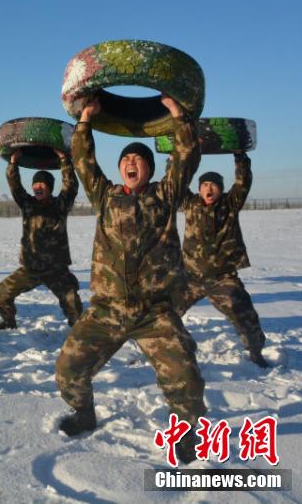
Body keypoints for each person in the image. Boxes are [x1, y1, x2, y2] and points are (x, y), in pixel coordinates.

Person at [55, 95, 207, 464]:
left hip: (154, 312)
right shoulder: (105, 196)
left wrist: (176, 115)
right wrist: (86, 121)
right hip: (107, 310)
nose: (130, 162)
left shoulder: (164, 195)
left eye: (138, 158)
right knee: (68, 370)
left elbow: (185, 159)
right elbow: (83, 163)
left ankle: (188, 437)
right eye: (125, 159)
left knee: (185, 376)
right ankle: (84, 413)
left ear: (150, 168)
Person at [175, 153, 268, 368]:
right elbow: (177, 181)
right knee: (164, 313)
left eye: (214, 185)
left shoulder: (230, 203)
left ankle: (255, 352)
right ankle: (163, 351)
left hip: (223, 279)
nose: (209, 189)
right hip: (190, 278)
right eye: (204, 184)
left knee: (245, 315)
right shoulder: (190, 203)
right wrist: (176, 158)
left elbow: (243, 181)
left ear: (221, 188)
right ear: (199, 189)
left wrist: (240, 156)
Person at [0, 149, 81, 329]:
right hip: (31, 268)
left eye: (43, 183)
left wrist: (64, 160)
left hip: (57, 269)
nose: (38, 186)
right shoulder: (27, 204)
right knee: (1, 293)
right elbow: (15, 186)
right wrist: (13, 164)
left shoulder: (60, 206)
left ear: (50, 187)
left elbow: (70, 186)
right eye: (36, 183)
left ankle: (79, 329)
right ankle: (8, 321)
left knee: (72, 301)